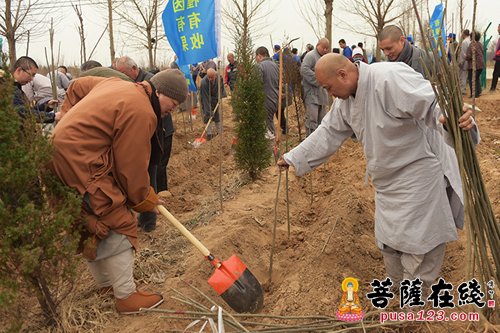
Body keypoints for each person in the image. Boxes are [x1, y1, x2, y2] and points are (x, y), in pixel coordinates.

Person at [278, 54, 479, 288]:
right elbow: (327, 133)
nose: (330, 94)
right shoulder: (345, 102)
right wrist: (293, 157)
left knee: (421, 242)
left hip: (418, 176)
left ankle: (415, 302)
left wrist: (452, 117)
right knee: (390, 242)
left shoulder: (389, 77)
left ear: (343, 74)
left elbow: (432, 102)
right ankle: (396, 289)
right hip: (387, 182)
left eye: (329, 87)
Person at [51, 69, 188, 314]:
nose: (173, 110)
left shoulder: (118, 84)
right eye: (173, 103)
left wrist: (65, 116)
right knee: (119, 218)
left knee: (90, 221)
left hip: (60, 155)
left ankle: (106, 285)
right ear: (159, 92)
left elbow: (77, 86)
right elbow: (130, 167)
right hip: (82, 162)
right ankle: (125, 296)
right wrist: (144, 199)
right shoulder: (142, 111)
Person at [114, 55, 175, 232]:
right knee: (146, 173)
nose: (123, 78)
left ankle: (148, 222)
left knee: (151, 172)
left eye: (125, 73)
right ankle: (143, 216)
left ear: (134, 69)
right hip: (146, 134)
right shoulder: (137, 87)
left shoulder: (152, 83)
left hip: (157, 134)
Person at [10, 56, 57, 123]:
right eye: (31, 74)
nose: (32, 79)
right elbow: (22, 113)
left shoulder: (16, 87)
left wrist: (46, 106)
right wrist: (53, 116)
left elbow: (26, 110)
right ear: (19, 70)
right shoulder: (8, 89)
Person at [300, 38, 330, 135]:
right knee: (312, 119)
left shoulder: (326, 57)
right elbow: (304, 69)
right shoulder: (310, 56)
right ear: (318, 45)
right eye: (323, 48)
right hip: (311, 93)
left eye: (327, 48)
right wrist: (318, 79)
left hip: (322, 93)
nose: (325, 50)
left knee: (322, 120)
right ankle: (309, 140)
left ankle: (319, 141)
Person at [255, 46, 286, 139]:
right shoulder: (276, 65)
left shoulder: (260, 66)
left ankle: (270, 147)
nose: (256, 59)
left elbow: (257, 85)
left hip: (265, 100)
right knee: (270, 121)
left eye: (256, 57)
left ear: (259, 56)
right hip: (275, 99)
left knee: (267, 127)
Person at [200, 68, 225, 140]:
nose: (210, 79)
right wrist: (208, 111)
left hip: (215, 98)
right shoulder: (203, 83)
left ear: (215, 75)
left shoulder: (219, 78)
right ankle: (209, 134)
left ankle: (219, 132)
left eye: (212, 77)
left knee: (217, 114)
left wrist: (220, 96)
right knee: (207, 115)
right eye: (209, 77)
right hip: (205, 97)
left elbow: (221, 88)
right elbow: (205, 99)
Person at [465, 31, 484, 98]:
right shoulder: (480, 44)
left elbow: (469, 55)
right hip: (481, 65)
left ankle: (474, 94)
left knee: (471, 79)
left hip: (474, 65)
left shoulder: (472, 44)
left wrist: (465, 57)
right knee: (476, 78)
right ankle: (479, 92)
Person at [458, 30, 471, 95]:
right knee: (467, 76)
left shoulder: (464, 42)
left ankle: (463, 90)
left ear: (464, 34)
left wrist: (461, 62)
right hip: (470, 61)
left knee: (463, 76)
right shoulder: (470, 41)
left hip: (465, 61)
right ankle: (464, 89)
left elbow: (463, 54)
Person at [489, 24, 500, 93]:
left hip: (499, 59)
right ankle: (493, 88)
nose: (497, 29)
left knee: (496, 73)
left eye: (498, 28)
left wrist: (497, 54)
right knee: (496, 73)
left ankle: (493, 88)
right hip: (498, 58)